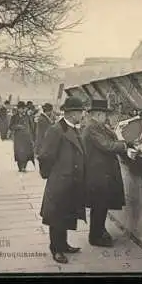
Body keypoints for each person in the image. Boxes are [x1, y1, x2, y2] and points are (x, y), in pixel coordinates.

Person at [38, 96, 87, 264]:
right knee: (57, 216)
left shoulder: (72, 128)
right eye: (81, 112)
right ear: (73, 114)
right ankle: (56, 249)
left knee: (65, 214)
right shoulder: (56, 129)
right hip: (60, 181)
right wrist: (52, 175)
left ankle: (63, 244)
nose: (83, 115)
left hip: (70, 181)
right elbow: (45, 155)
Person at [82, 99, 132, 247]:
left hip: (100, 173)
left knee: (101, 206)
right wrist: (124, 145)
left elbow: (109, 140)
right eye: (105, 115)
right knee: (99, 206)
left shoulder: (97, 126)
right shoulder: (92, 128)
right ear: (98, 114)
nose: (106, 118)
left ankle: (99, 232)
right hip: (97, 174)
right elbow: (107, 145)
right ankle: (95, 237)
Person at [9, 101, 35, 172]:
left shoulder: (27, 116)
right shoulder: (14, 117)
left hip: (26, 137)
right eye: (20, 108)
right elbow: (11, 127)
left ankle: (24, 166)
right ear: (18, 109)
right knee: (19, 152)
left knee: (26, 152)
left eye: (23, 108)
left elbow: (32, 127)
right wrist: (17, 126)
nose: (22, 110)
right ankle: (20, 167)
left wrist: (32, 137)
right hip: (18, 138)